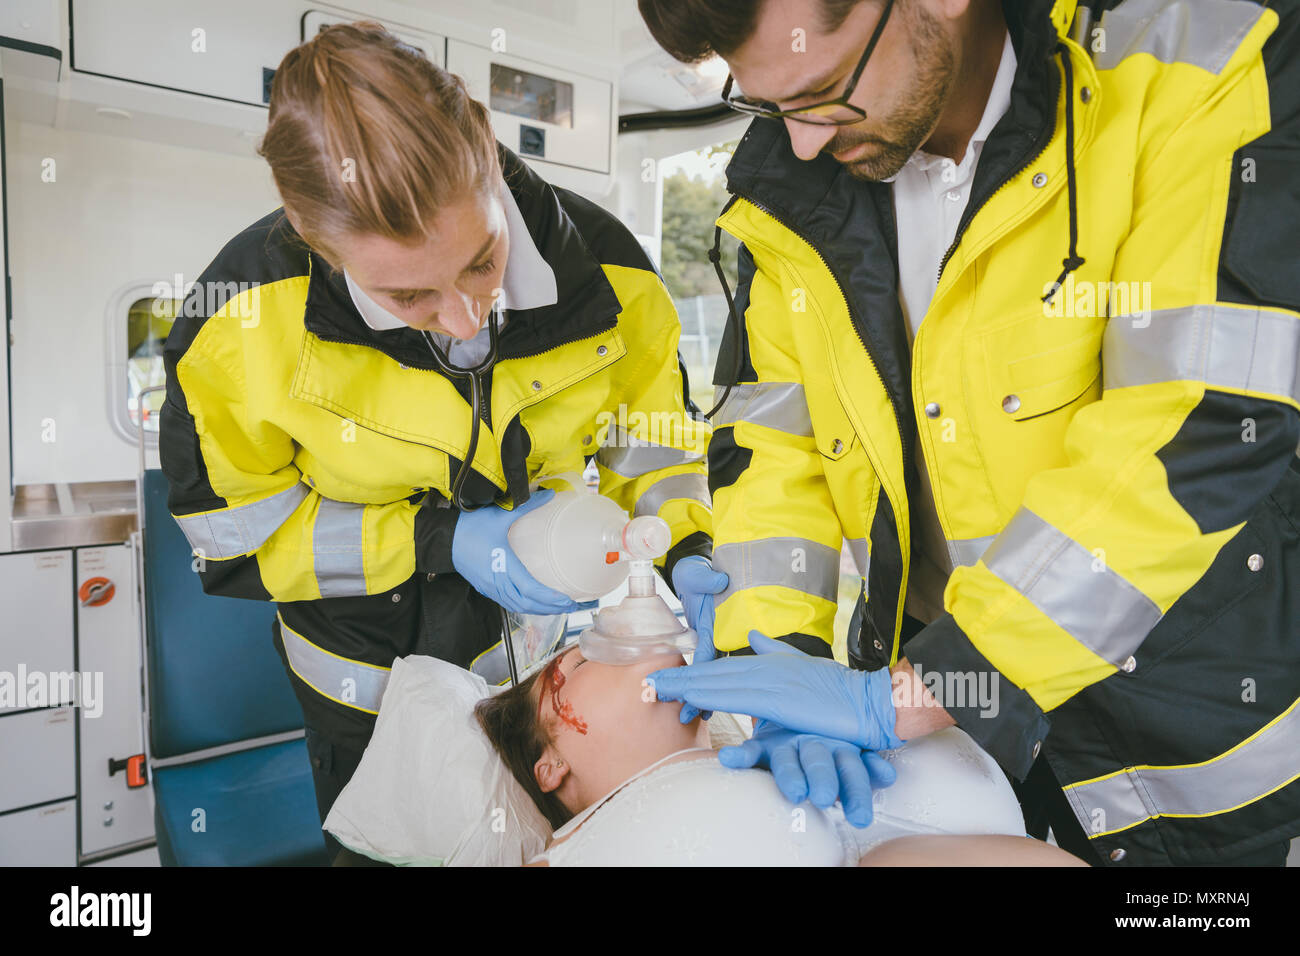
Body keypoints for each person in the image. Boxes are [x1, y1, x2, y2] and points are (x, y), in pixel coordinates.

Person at [638, 0, 1300, 866]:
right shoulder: (786, 200)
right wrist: (782, 655)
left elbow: (1193, 432)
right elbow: (774, 454)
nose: (801, 143)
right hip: (954, 753)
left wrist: (932, 689)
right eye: (768, 107)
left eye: (823, 91)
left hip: (1192, 748)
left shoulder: (1194, 60)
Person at [159, 21, 720, 862]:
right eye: (409, 294)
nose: (465, 319)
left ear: (487, 156)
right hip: (365, 692)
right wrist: (441, 540)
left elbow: (658, 451)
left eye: (482, 261)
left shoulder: (613, 276)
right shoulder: (239, 323)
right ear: (313, 239)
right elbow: (240, 539)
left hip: (537, 671)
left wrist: (695, 552)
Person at [474, 642, 1086, 865]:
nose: (621, 643)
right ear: (550, 767)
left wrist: (887, 703)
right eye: (581, 660)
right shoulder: (579, 850)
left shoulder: (806, 732)